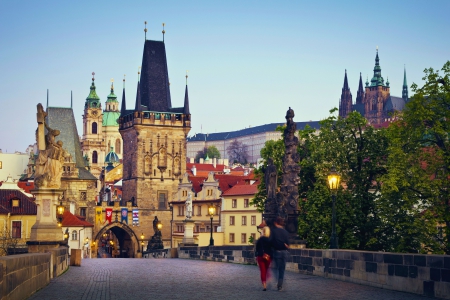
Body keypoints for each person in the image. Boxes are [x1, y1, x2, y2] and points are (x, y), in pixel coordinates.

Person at [269, 217, 290, 291]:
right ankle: (280, 285)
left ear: (275, 223)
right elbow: (287, 244)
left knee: (275, 268)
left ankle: (278, 282)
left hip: (277, 252)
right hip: (284, 252)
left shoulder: (273, 231)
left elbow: (270, 242)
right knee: (282, 269)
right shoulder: (285, 232)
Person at [255, 226, 272, 291]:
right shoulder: (270, 240)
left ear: (263, 231)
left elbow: (257, 249)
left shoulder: (260, 239)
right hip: (268, 257)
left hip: (261, 256)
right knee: (267, 270)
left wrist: (256, 255)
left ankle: (264, 285)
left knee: (263, 271)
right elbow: (271, 249)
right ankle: (269, 278)